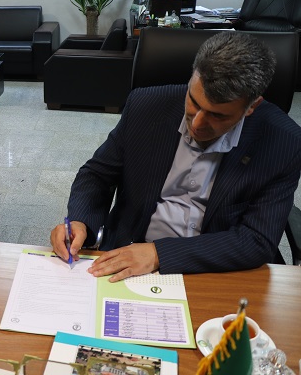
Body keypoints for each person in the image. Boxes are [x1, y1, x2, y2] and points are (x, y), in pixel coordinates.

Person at [51, 32, 301, 282]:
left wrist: (159, 253)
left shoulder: (284, 143)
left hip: (214, 271)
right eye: (194, 102)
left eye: (218, 115)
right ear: (192, 78)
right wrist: (81, 221)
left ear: (251, 107)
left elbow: (256, 239)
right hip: (130, 252)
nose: (198, 123)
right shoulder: (145, 106)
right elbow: (97, 175)